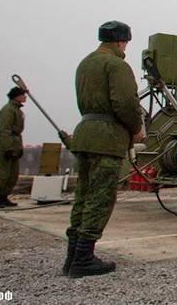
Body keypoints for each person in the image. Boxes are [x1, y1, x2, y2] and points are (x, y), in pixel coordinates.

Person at [63, 21, 144, 278]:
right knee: (100, 198)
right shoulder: (117, 65)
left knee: (84, 197)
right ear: (122, 42)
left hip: (85, 134)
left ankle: (72, 256)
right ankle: (84, 259)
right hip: (107, 139)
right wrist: (136, 128)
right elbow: (125, 104)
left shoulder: (85, 64)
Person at [0, 87, 27, 208]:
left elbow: (17, 132)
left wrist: (18, 148)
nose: (25, 97)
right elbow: (4, 130)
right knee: (0, 174)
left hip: (15, 143)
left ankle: (3, 197)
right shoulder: (8, 110)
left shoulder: (17, 110)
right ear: (16, 96)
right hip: (5, 146)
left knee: (12, 174)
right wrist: (8, 147)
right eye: (23, 95)